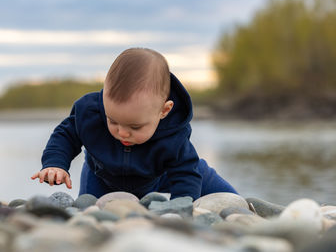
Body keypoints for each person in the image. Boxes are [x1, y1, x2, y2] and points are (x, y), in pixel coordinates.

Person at [31, 47, 237, 200]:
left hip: (160, 174)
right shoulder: (91, 113)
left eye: (135, 127)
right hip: (103, 175)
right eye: (112, 121)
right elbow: (66, 135)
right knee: (89, 205)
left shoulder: (173, 135)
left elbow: (184, 176)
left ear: (163, 111)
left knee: (202, 178)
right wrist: (55, 164)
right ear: (105, 101)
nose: (122, 132)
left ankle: (247, 208)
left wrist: (179, 210)